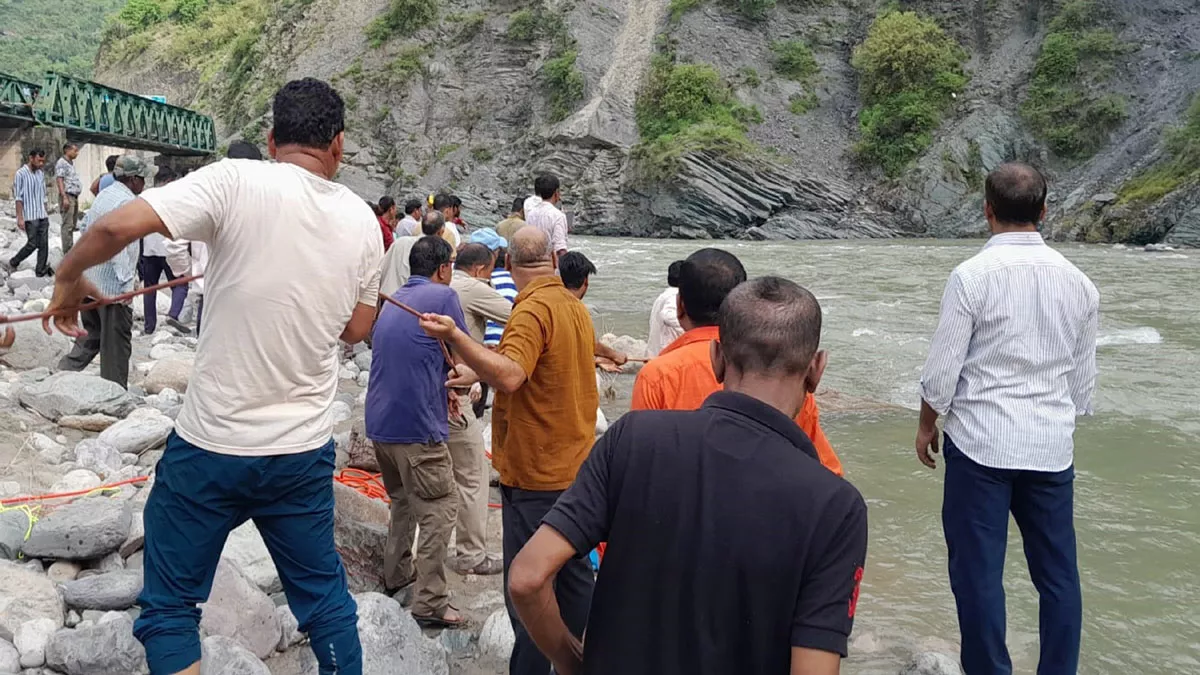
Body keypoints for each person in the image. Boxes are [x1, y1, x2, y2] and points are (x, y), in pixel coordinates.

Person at [44, 78, 380, 675]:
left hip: (211, 448)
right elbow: (356, 329)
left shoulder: (235, 179)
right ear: (339, 145)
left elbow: (114, 228)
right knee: (326, 604)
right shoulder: (361, 218)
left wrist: (67, 279)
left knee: (170, 608)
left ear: (272, 140)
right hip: (300, 454)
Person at [509, 276, 868, 675]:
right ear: (816, 368)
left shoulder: (633, 438)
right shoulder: (836, 506)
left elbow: (527, 577)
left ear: (717, 357)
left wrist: (573, 662)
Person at [916, 163, 1098, 675]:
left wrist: (927, 424)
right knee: (1058, 577)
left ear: (987, 210)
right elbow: (1082, 384)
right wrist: (1054, 421)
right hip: (1050, 449)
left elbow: (942, 371)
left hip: (981, 445)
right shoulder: (1080, 283)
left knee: (977, 574)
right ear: (1044, 211)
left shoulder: (971, 277)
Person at [418, 226, 598, 675]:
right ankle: (590, 656)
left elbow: (514, 375)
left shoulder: (531, 308)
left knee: (527, 589)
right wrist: (478, 372)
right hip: (576, 467)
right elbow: (540, 364)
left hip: (537, 475)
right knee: (573, 576)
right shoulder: (572, 305)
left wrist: (457, 337)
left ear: (509, 265)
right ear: (553, 262)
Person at [631, 249, 843, 476]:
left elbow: (641, 463)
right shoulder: (787, 380)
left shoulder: (657, 375)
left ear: (680, 305)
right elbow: (827, 472)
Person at [367, 235, 471, 627]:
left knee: (403, 501)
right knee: (439, 510)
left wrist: (444, 387)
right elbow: (462, 354)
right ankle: (430, 602)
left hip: (380, 425)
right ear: (443, 269)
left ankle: (397, 573)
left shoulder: (395, 299)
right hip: (416, 428)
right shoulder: (444, 296)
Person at [56, 155, 155, 387]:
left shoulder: (104, 194)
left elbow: (85, 228)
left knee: (92, 335)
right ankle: (114, 392)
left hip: (90, 281)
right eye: (142, 178)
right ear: (133, 179)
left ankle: (62, 372)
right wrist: (126, 286)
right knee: (116, 346)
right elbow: (118, 245)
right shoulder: (127, 203)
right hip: (111, 289)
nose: (144, 183)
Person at [445, 242, 512, 575]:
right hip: (454, 392)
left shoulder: (440, 285)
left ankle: (401, 562)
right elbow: (517, 314)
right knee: (473, 475)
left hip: (421, 393)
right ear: (481, 268)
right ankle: (471, 555)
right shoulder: (473, 288)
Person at [164, 142, 261, 334]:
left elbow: (174, 244)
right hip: (249, 295)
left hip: (213, 291)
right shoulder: (262, 199)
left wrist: (187, 272)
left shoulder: (210, 195)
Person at [139, 166, 189, 335]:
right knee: (180, 284)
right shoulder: (176, 196)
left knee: (149, 289)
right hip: (170, 248)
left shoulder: (146, 196)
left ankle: (149, 327)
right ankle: (173, 315)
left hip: (149, 249)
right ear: (169, 181)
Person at [558, 251, 627, 370]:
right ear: (586, 281)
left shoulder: (552, 303)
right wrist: (614, 355)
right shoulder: (577, 309)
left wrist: (596, 361)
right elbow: (589, 343)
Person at [7, 148, 51, 277]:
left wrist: (46, 211)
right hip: (30, 216)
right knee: (32, 244)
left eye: (43, 161)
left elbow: (43, 194)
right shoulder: (20, 174)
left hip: (42, 214)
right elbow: (18, 198)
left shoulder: (40, 174)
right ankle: (14, 262)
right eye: (39, 160)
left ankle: (40, 270)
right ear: (31, 158)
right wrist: (20, 218)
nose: (41, 164)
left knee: (44, 244)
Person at [524, 174, 568, 257]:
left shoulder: (531, 214)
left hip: (533, 260)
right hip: (549, 262)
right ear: (556, 193)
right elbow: (560, 249)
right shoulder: (558, 216)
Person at [646, 260, 684, 356]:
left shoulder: (666, 295)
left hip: (657, 352)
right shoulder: (674, 295)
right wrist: (690, 331)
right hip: (666, 353)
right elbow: (668, 316)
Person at [55, 142, 83, 253]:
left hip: (74, 196)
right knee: (67, 225)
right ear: (67, 150)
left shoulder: (70, 163)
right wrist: (64, 197)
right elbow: (60, 180)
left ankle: (70, 248)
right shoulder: (62, 163)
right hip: (67, 196)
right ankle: (67, 251)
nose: (77, 153)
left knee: (73, 224)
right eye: (75, 150)